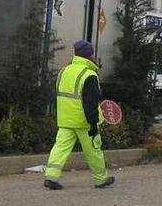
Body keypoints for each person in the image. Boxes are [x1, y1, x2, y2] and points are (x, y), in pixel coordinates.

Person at [44, 40, 115, 190]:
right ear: (89, 56)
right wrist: (93, 123)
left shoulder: (64, 71)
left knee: (60, 148)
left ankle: (51, 176)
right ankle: (100, 179)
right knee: (94, 150)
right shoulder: (89, 74)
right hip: (83, 121)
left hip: (65, 119)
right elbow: (90, 103)